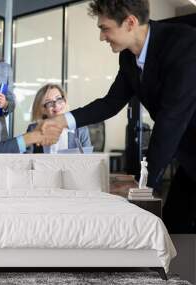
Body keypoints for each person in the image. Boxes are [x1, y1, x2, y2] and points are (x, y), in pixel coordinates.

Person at [46, 0, 196, 233]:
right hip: (188, 156)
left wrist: (142, 185)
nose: (102, 37)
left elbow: (170, 120)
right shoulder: (128, 57)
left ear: (130, 22)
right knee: (175, 226)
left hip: (185, 145)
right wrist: (63, 120)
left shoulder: (184, 44)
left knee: (176, 225)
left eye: (104, 28)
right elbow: (111, 103)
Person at [27, 84, 92, 153]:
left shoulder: (80, 129)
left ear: (65, 101)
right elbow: (26, 159)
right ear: (43, 109)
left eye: (59, 99)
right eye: (49, 102)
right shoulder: (34, 129)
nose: (56, 105)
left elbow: (88, 159)